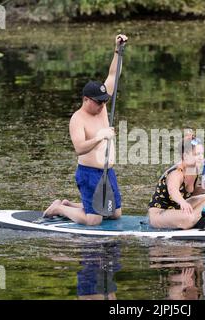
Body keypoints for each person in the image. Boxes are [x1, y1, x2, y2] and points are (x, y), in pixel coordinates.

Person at [43, 34, 128, 226]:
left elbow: (114, 75)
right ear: (86, 99)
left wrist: (118, 50)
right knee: (94, 220)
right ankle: (59, 208)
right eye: (99, 102)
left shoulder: (102, 104)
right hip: (89, 172)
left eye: (104, 101)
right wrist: (100, 137)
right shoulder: (77, 119)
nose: (102, 105)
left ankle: (69, 204)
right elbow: (80, 148)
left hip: (108, 171)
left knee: (115, 214)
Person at [148, 132, 205, 229]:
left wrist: (202, 188)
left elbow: (192, 194)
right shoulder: (176, 173)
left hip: (178, 208)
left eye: (201, 154)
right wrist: (183, 202)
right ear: (185, 156)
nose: (200, 157)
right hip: (160, 213)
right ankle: (193, 220)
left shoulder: (194, 171)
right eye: (196, 154)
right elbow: (173, 190)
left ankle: (194, 220)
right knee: (189, 217)